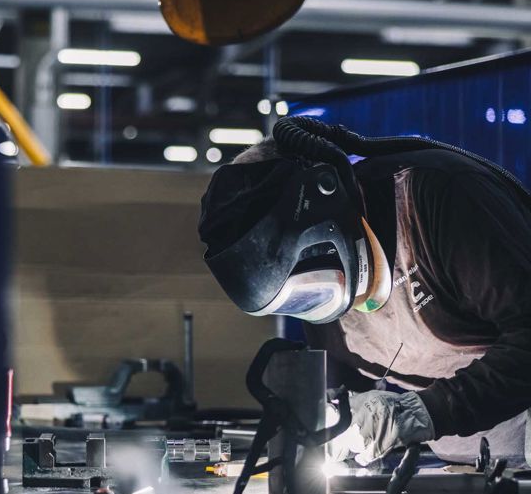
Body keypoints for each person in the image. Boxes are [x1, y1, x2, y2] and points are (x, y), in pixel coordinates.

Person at [198, 117, 531, 466]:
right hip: (478, 468)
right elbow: (343, 394)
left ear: (328, 197)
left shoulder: (441, 198)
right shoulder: (324, 299)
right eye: (298, 301)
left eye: (313, 276)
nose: (316, 298)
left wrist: (420, 412)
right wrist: (325, 425)